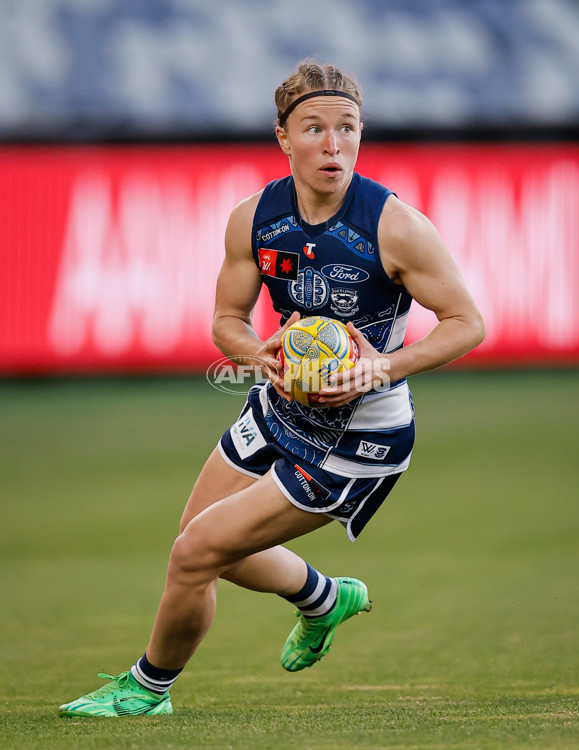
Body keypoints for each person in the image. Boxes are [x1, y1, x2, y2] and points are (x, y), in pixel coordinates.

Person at [59, 59, 485, 717]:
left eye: (347, 128)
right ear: (283, 137)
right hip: (281, 406)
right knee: (200, 540)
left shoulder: (395, 226)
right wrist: (258, 355)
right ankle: (324, 598)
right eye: (314, 128)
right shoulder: (255, 219)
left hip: (358, 441)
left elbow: (467, 324)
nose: (333, 143)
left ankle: (147, 692)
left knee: (196, 554)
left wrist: (382, 367)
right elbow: (226, 322)